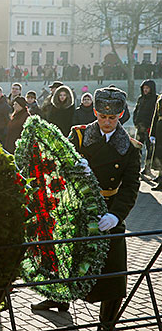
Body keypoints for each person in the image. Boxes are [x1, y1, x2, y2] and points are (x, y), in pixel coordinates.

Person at [33, 87, 141, 331]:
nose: (106, 122)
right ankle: (58, 298)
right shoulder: (80, 135)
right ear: (95, 112)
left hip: (109, 209)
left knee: (114, 271)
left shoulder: (131, 147)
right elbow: (58, 166)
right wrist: (74, 169)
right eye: (102, 117)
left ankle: (107, 323)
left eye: (112, 118)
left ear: (121, 115)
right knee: (66, 259)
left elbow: (132, 186)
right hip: (80, 207)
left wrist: (116, 215)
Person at [133, 80, 158, 175]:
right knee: (137, 148)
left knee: (150, 148)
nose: (145, 90)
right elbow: (136, 111)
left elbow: (155, 114)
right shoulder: (141, 98)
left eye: (147, 88)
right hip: (139, 127)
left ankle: (147, 168)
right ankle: (136, 168)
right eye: (144, 88)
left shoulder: (155, 99)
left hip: (149, 128)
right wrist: (135, 122)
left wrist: (152, 127)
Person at [150, 94, 162, 190]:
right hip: (159, 129)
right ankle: (160, 176)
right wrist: (152, 133)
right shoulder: (160, 98)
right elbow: (155, 116)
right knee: (160, 155)